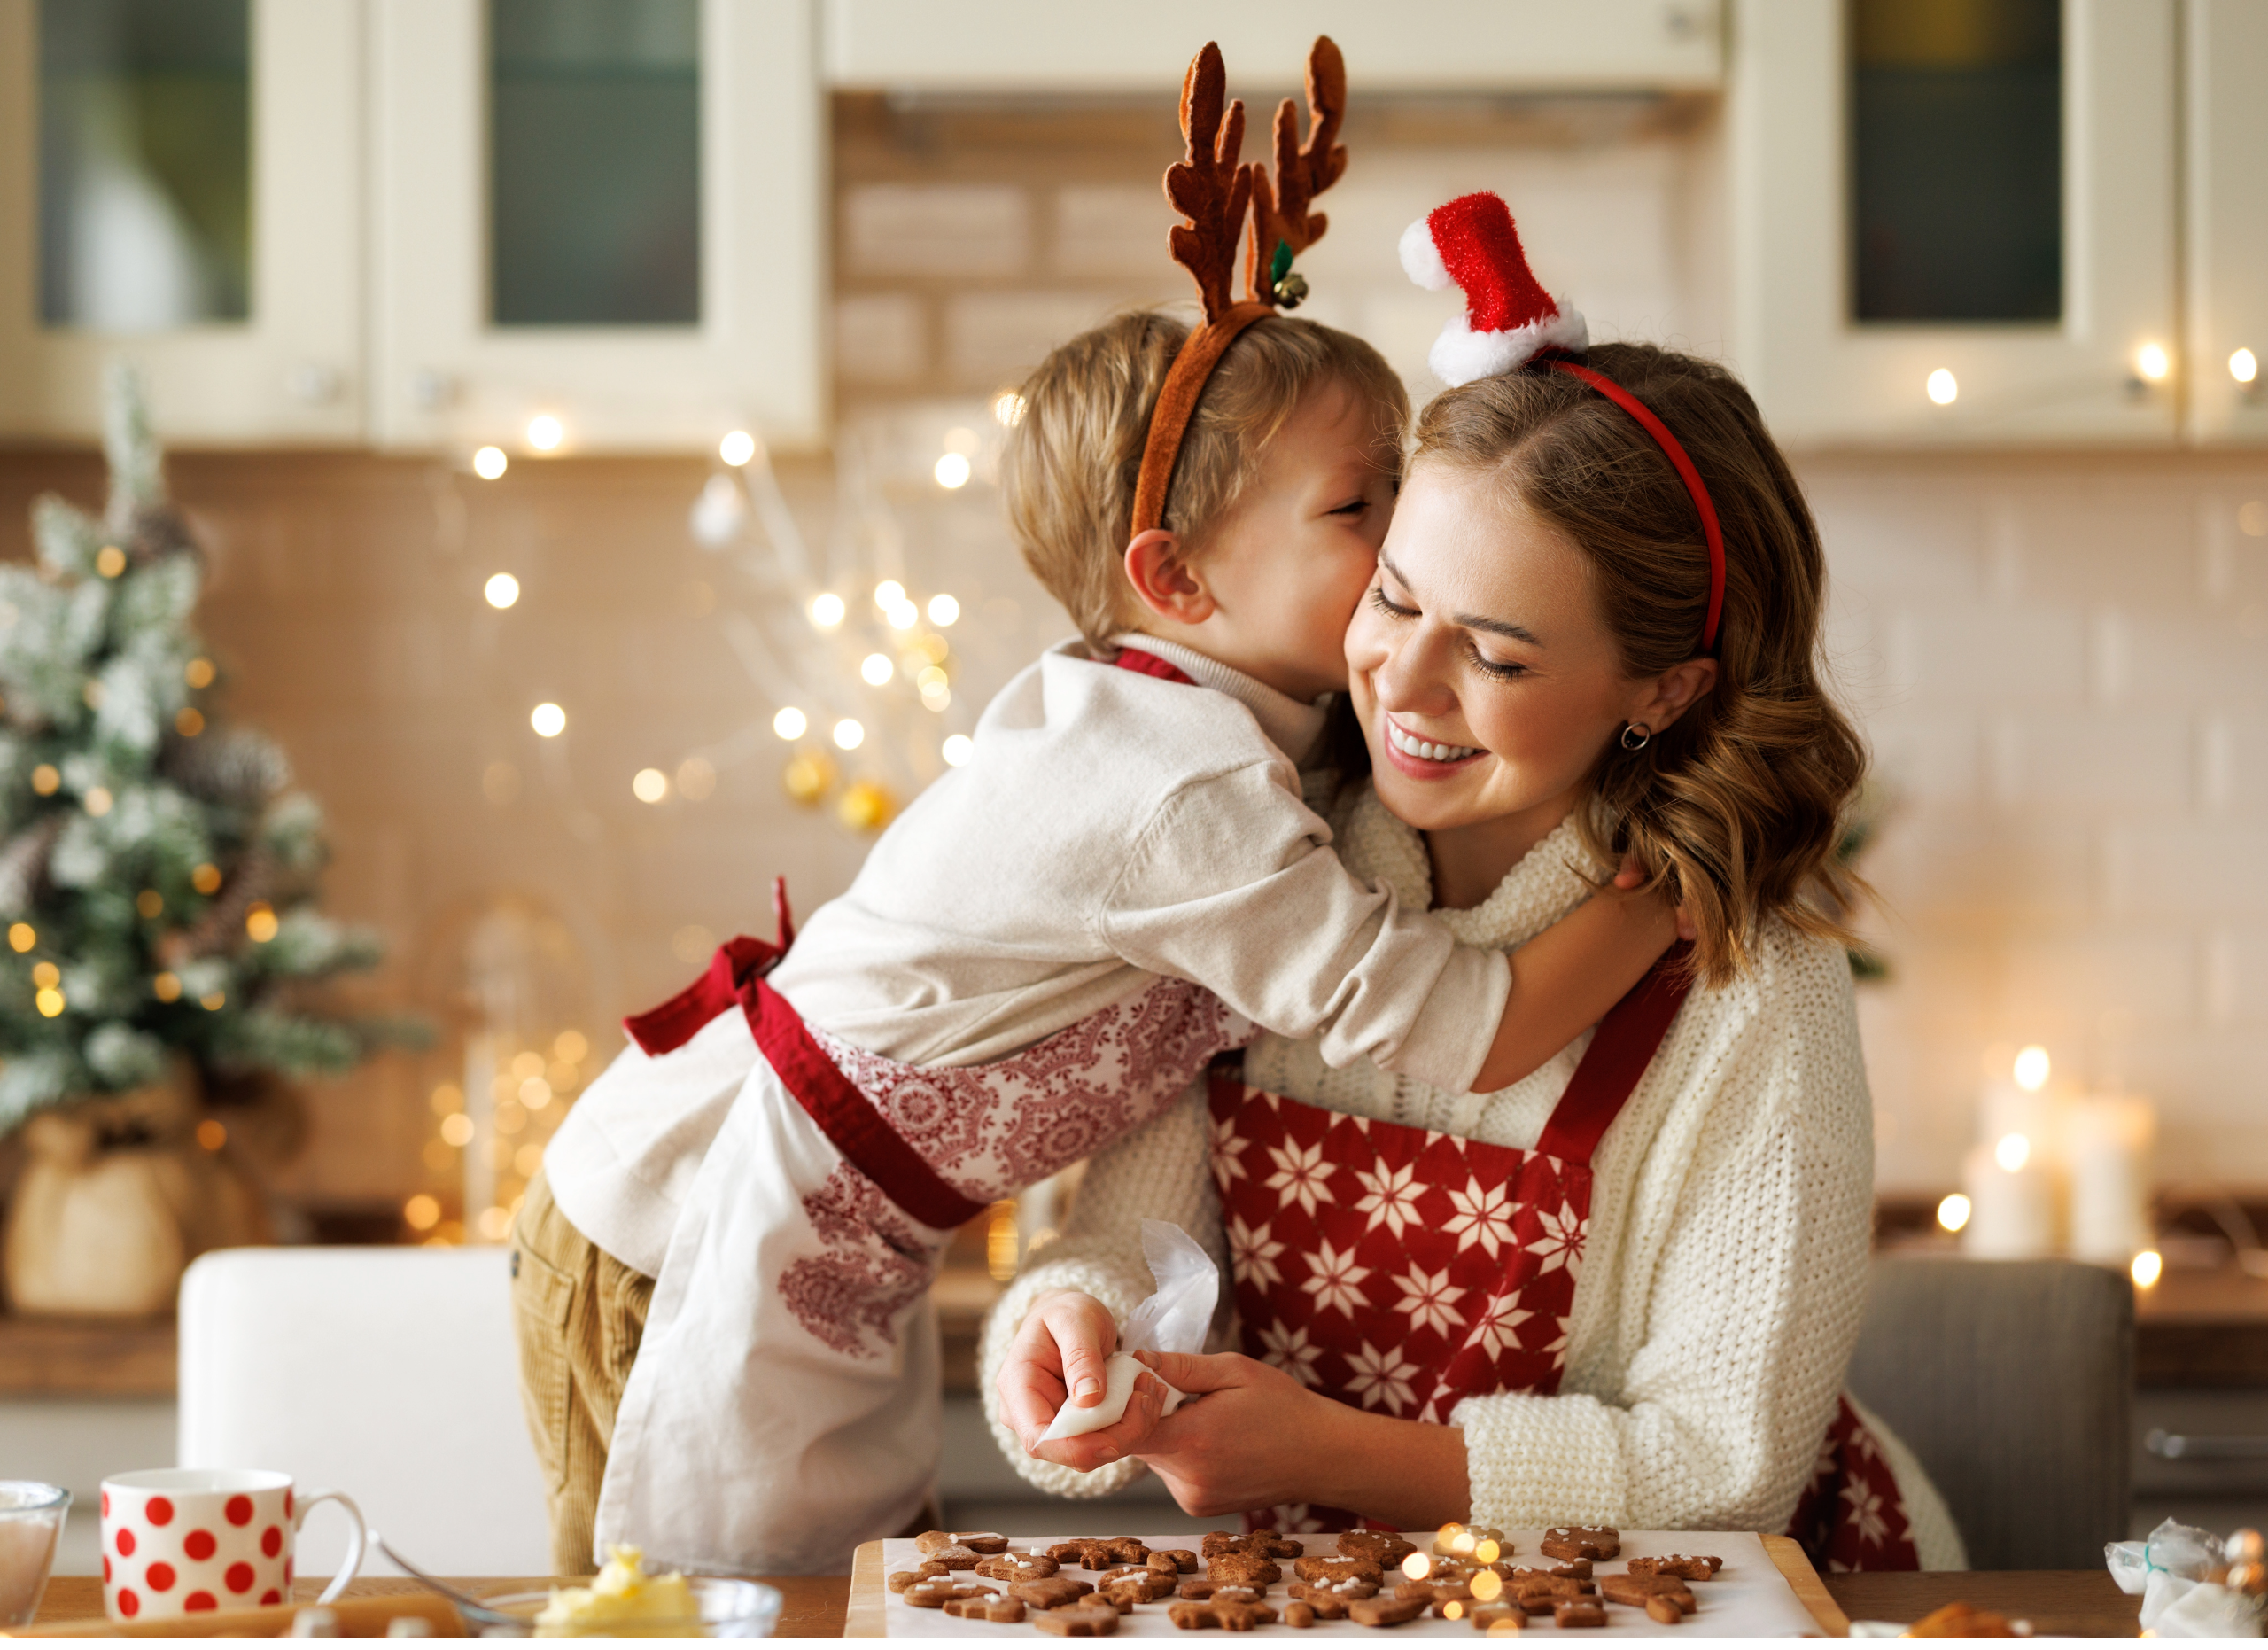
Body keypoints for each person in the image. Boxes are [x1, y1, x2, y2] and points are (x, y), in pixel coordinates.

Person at [512, 127, 1681, 1574]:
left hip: (824, 1224)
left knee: (836, 1590)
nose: (1408, 539)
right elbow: (1452, 1023)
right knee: (696, 1610)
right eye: (1359, 506)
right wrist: (1661, 897)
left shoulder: (1229, 734)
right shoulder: (1178, 792)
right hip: (686, 1223)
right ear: (1176, 579)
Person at [984, 193, 1966, 1573]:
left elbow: (1721, 1472)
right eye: (1392, 597)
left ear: (1664, 687)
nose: (1404, 683)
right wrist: (1069, 1332)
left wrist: (1326, 1453)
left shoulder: (1755, 998)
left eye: (1498, 657)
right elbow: (1122, 1246)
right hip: (1350, 1594)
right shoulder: (1250, 880)